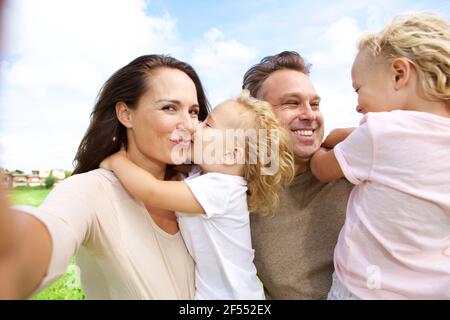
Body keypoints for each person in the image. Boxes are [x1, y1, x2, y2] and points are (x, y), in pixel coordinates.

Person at [0, 54, 211, 299]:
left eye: (194, 112)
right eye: (169, 108)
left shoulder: (199, 189)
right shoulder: (90, 189)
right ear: (125, 114)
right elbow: (51, 229)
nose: (188, 124)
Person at [99, 90, 295, 299]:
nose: (196, 125)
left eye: (208, 125)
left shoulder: (221, 189)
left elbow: (150, 190)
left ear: (231, 154)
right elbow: (177, 175)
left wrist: (117, 161)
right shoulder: (205, 176)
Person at [311, 13, 450, 299]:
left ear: (399, 74)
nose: (358, 106)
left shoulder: (380, 131)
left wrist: (334, 137)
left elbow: (322, 168)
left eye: (359, 89)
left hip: (362, 291)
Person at [242, 51, 354, 299]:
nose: (310, 115)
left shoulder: (353, 167)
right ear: (257, 117)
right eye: (292, 103)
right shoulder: (241, 193)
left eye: (314, 104)